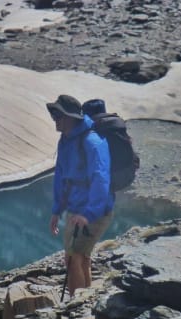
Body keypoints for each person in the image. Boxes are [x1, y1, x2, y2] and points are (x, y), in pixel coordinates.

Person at [46, 95, 115, 298]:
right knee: (81, 257)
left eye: (58, 115)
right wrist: (57, 210)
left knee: (73, 258)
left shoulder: (92, 142)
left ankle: (76, 304)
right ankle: (86, 301)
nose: (54, 119)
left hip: (94, 211)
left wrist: (89, 213)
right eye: (53, 114)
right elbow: (61, 176)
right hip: (77, 209)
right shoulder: (66, 140)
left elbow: (101, 178)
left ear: (71, 117)